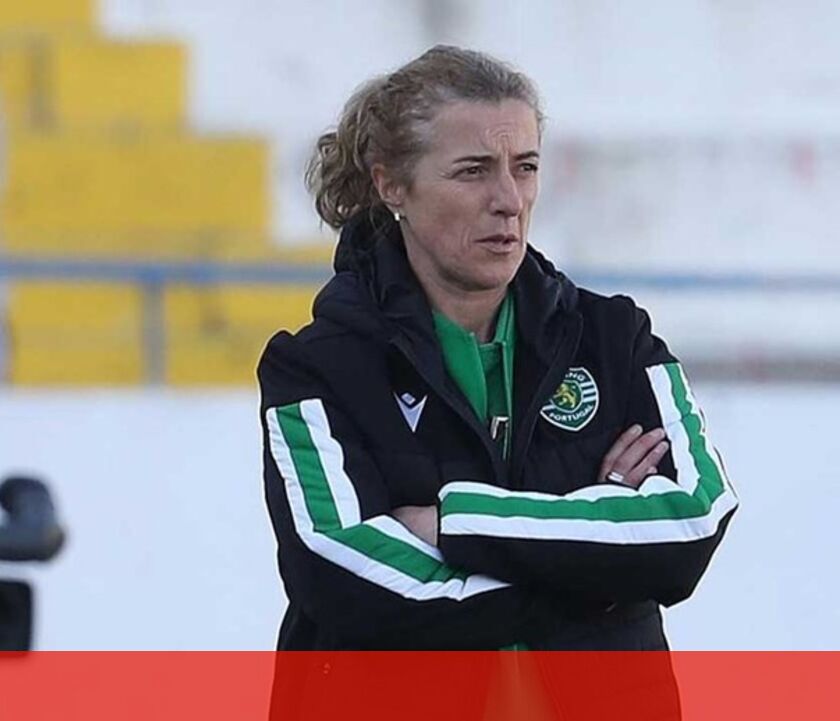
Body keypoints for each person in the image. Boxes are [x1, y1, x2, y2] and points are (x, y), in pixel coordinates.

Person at [257, 45, 737, 715]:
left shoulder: (615, 339)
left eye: (525, 167)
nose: (509, 201)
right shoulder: (315, 368)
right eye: (473, 170)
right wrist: (595, 556)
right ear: (392, 184)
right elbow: (342, 573)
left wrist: (453, 524)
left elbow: (691, 520)